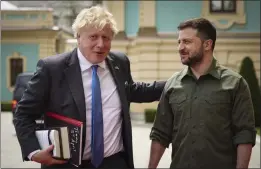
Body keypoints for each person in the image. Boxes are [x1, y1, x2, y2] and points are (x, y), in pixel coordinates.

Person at [13, 5, 165, 169]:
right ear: (78, 37)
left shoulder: (120, 62)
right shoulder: (52, 69)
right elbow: (23, 114)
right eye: (93, 37)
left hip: (114, 162)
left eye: (106, 38)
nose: (100, 44)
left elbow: (133, 91)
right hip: (67, 164)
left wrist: (177, 82)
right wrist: (33, 151)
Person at [148, 18, 256, 169]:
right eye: (179, 42)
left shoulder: (235, 84)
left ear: (207, 44)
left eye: (187, 42)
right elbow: (160, 133)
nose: (180, 47)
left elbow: (244, 134)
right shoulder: (172, 84)